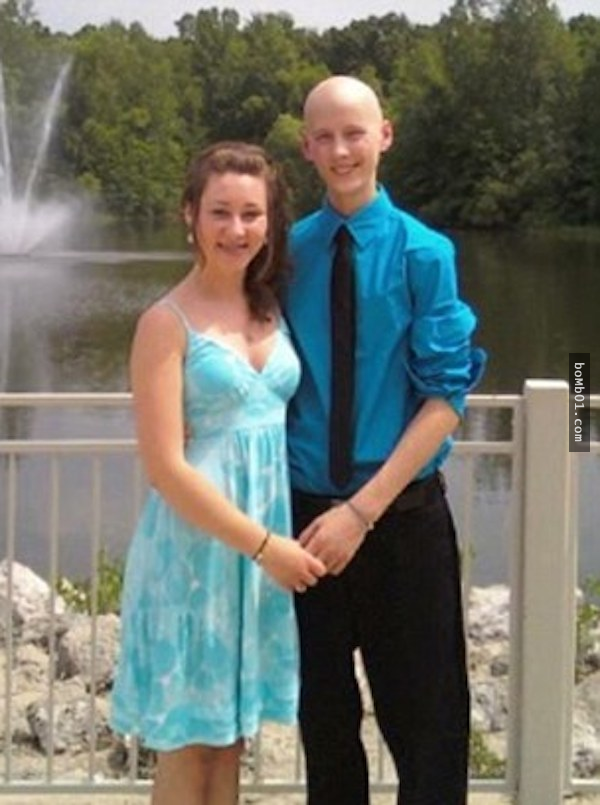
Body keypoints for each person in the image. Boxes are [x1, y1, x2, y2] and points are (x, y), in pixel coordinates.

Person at [284, 76, 487, 804]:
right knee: (324, 725)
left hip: (398, 520)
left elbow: (445, 400)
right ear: (306, 147)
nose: (341, 150)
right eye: (325, 136)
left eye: (355, 133)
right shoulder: (285, 253)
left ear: (385, 136)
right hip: (304, 524)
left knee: (428, 729)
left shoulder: (425, 253)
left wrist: (360, 512)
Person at [110, 141, 325, 805]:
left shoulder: (272, 308)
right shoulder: (164, 322)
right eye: (220, 212)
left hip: (257, 555)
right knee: (188, 743)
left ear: (269, 222)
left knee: (230, 738)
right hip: (196, 550)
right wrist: (266, 547)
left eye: (251, 214)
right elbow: (164, 467)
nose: (237, 229)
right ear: (190, 215)